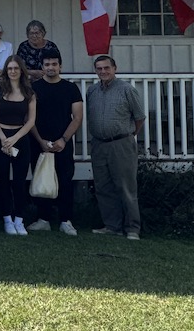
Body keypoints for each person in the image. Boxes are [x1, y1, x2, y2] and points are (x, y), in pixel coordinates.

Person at [87, 55, 145, 240]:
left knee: (126, 187)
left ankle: (132, 229)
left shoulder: (127, 90)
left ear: (114, 68)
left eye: (106, 68)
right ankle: (112, 226)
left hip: (121, 144)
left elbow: (139, 117)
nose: (103, 72)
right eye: (99, 69)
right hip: (99, 145)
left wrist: (128, 135)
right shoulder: (92, 91)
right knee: (103, 187)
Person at [28, 54, 83, 236]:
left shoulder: (71, 88)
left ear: (60, 66)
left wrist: (64, 140)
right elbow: (30, 118)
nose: (50, 67)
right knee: (41, 179)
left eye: (54, 64)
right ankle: (43, 219)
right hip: (39, 142)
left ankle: (65, 221)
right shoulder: (34, 88)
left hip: (63, 142)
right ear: (42, 67)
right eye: (47, 64)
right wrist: (40, 141)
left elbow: (77, 117)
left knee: (65, 181)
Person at [0, 55, 36, 235]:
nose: (13, 71)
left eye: (16, 68)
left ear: (21, 70)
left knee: (19, 181)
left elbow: (31, 121)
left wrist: (15, 138)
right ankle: (7, 219)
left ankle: (19, 220)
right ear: (6, 71)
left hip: (20, 138)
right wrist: (3, 138)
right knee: (2, 181)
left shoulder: (29, 93)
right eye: (10, 68)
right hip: (0, 138)